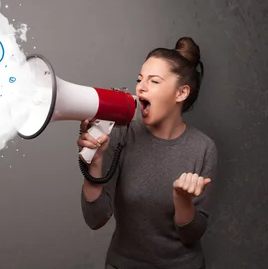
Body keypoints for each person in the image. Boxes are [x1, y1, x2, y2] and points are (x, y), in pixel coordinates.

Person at [78, 36, 218, 269]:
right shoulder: (122, 135)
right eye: (139, 79)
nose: (141, 87)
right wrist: (96, 161)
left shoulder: (203, 148)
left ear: (181, 93)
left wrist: (183, 201)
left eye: (154, 81)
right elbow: (95, 219)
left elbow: (191, 236)